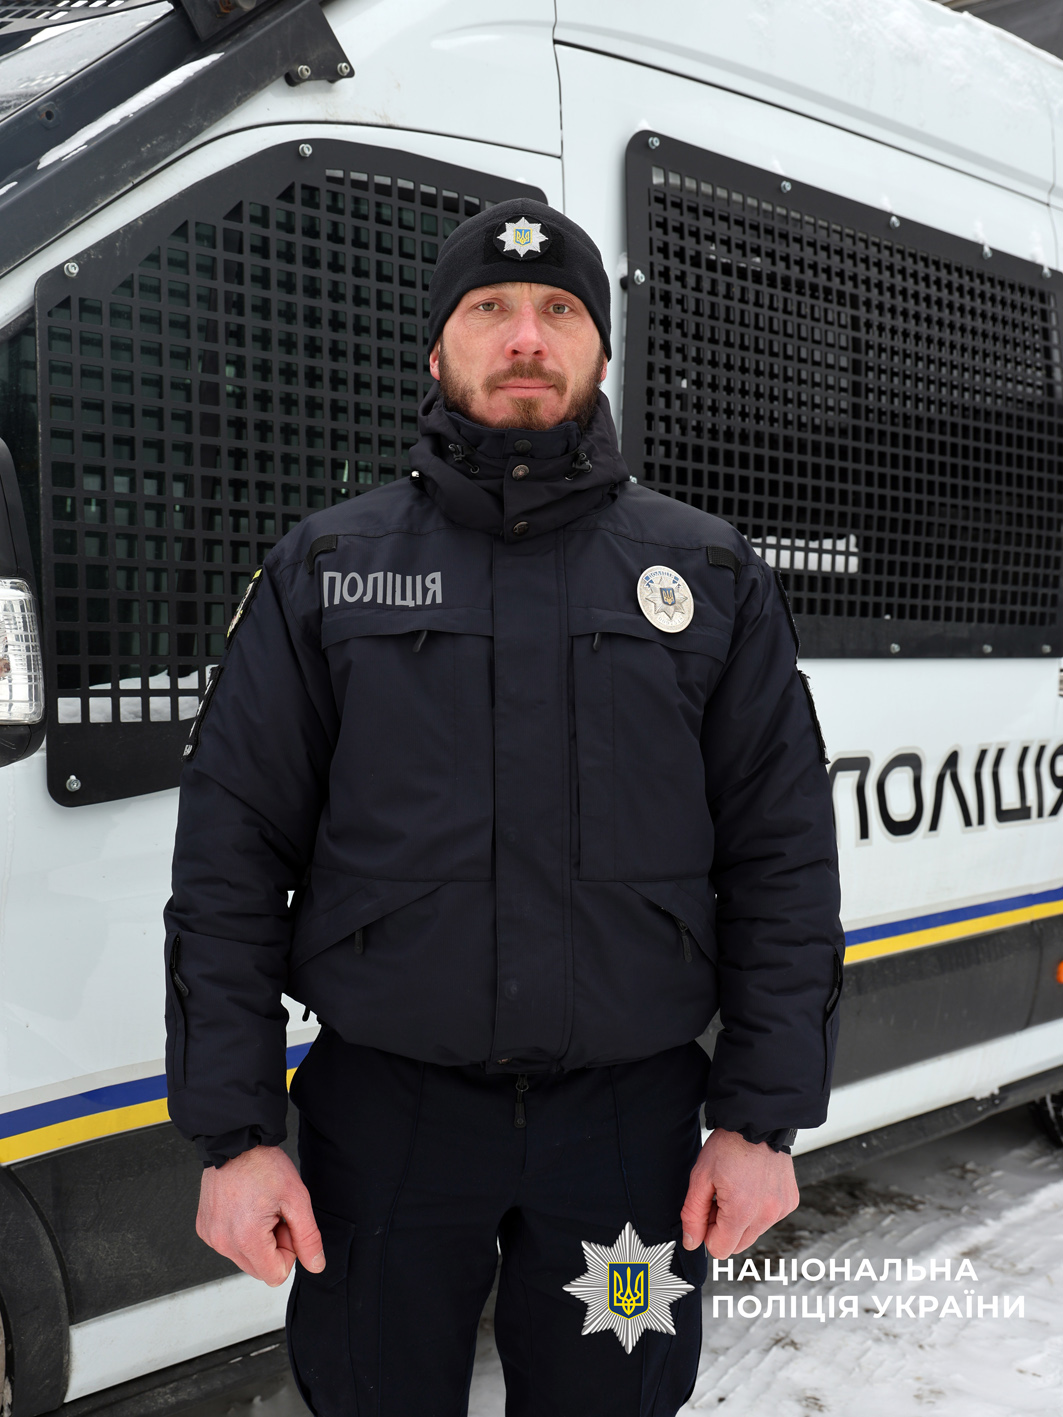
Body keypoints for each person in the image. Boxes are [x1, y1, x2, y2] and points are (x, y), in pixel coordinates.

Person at [165, 198, 845, 1417]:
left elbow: (781, 856)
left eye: (558, 310)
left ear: (600, 353)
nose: (525, 335)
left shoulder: (706, 574)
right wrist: (237, 1134)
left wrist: (760, 1121)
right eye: (489, 308)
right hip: (386, 1125)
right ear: (438, 350)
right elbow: (230, 857)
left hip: (629, 1135)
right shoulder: (329, 570)